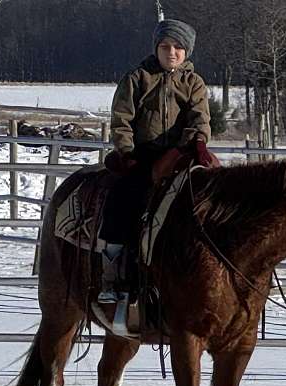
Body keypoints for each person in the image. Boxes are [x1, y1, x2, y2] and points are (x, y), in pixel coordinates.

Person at [98, 18, 212, 303]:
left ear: (187, 51)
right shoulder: (138, 78)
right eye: (165, 46)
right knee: (122, 200)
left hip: (180, 155)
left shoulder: (194, 83)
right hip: (142, 155)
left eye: (177, 47)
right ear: (156, 48)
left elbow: (200, 117)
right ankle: (111, 274)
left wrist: (197, 141)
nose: (171, 52)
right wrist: (126, 152)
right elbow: (121, 120)